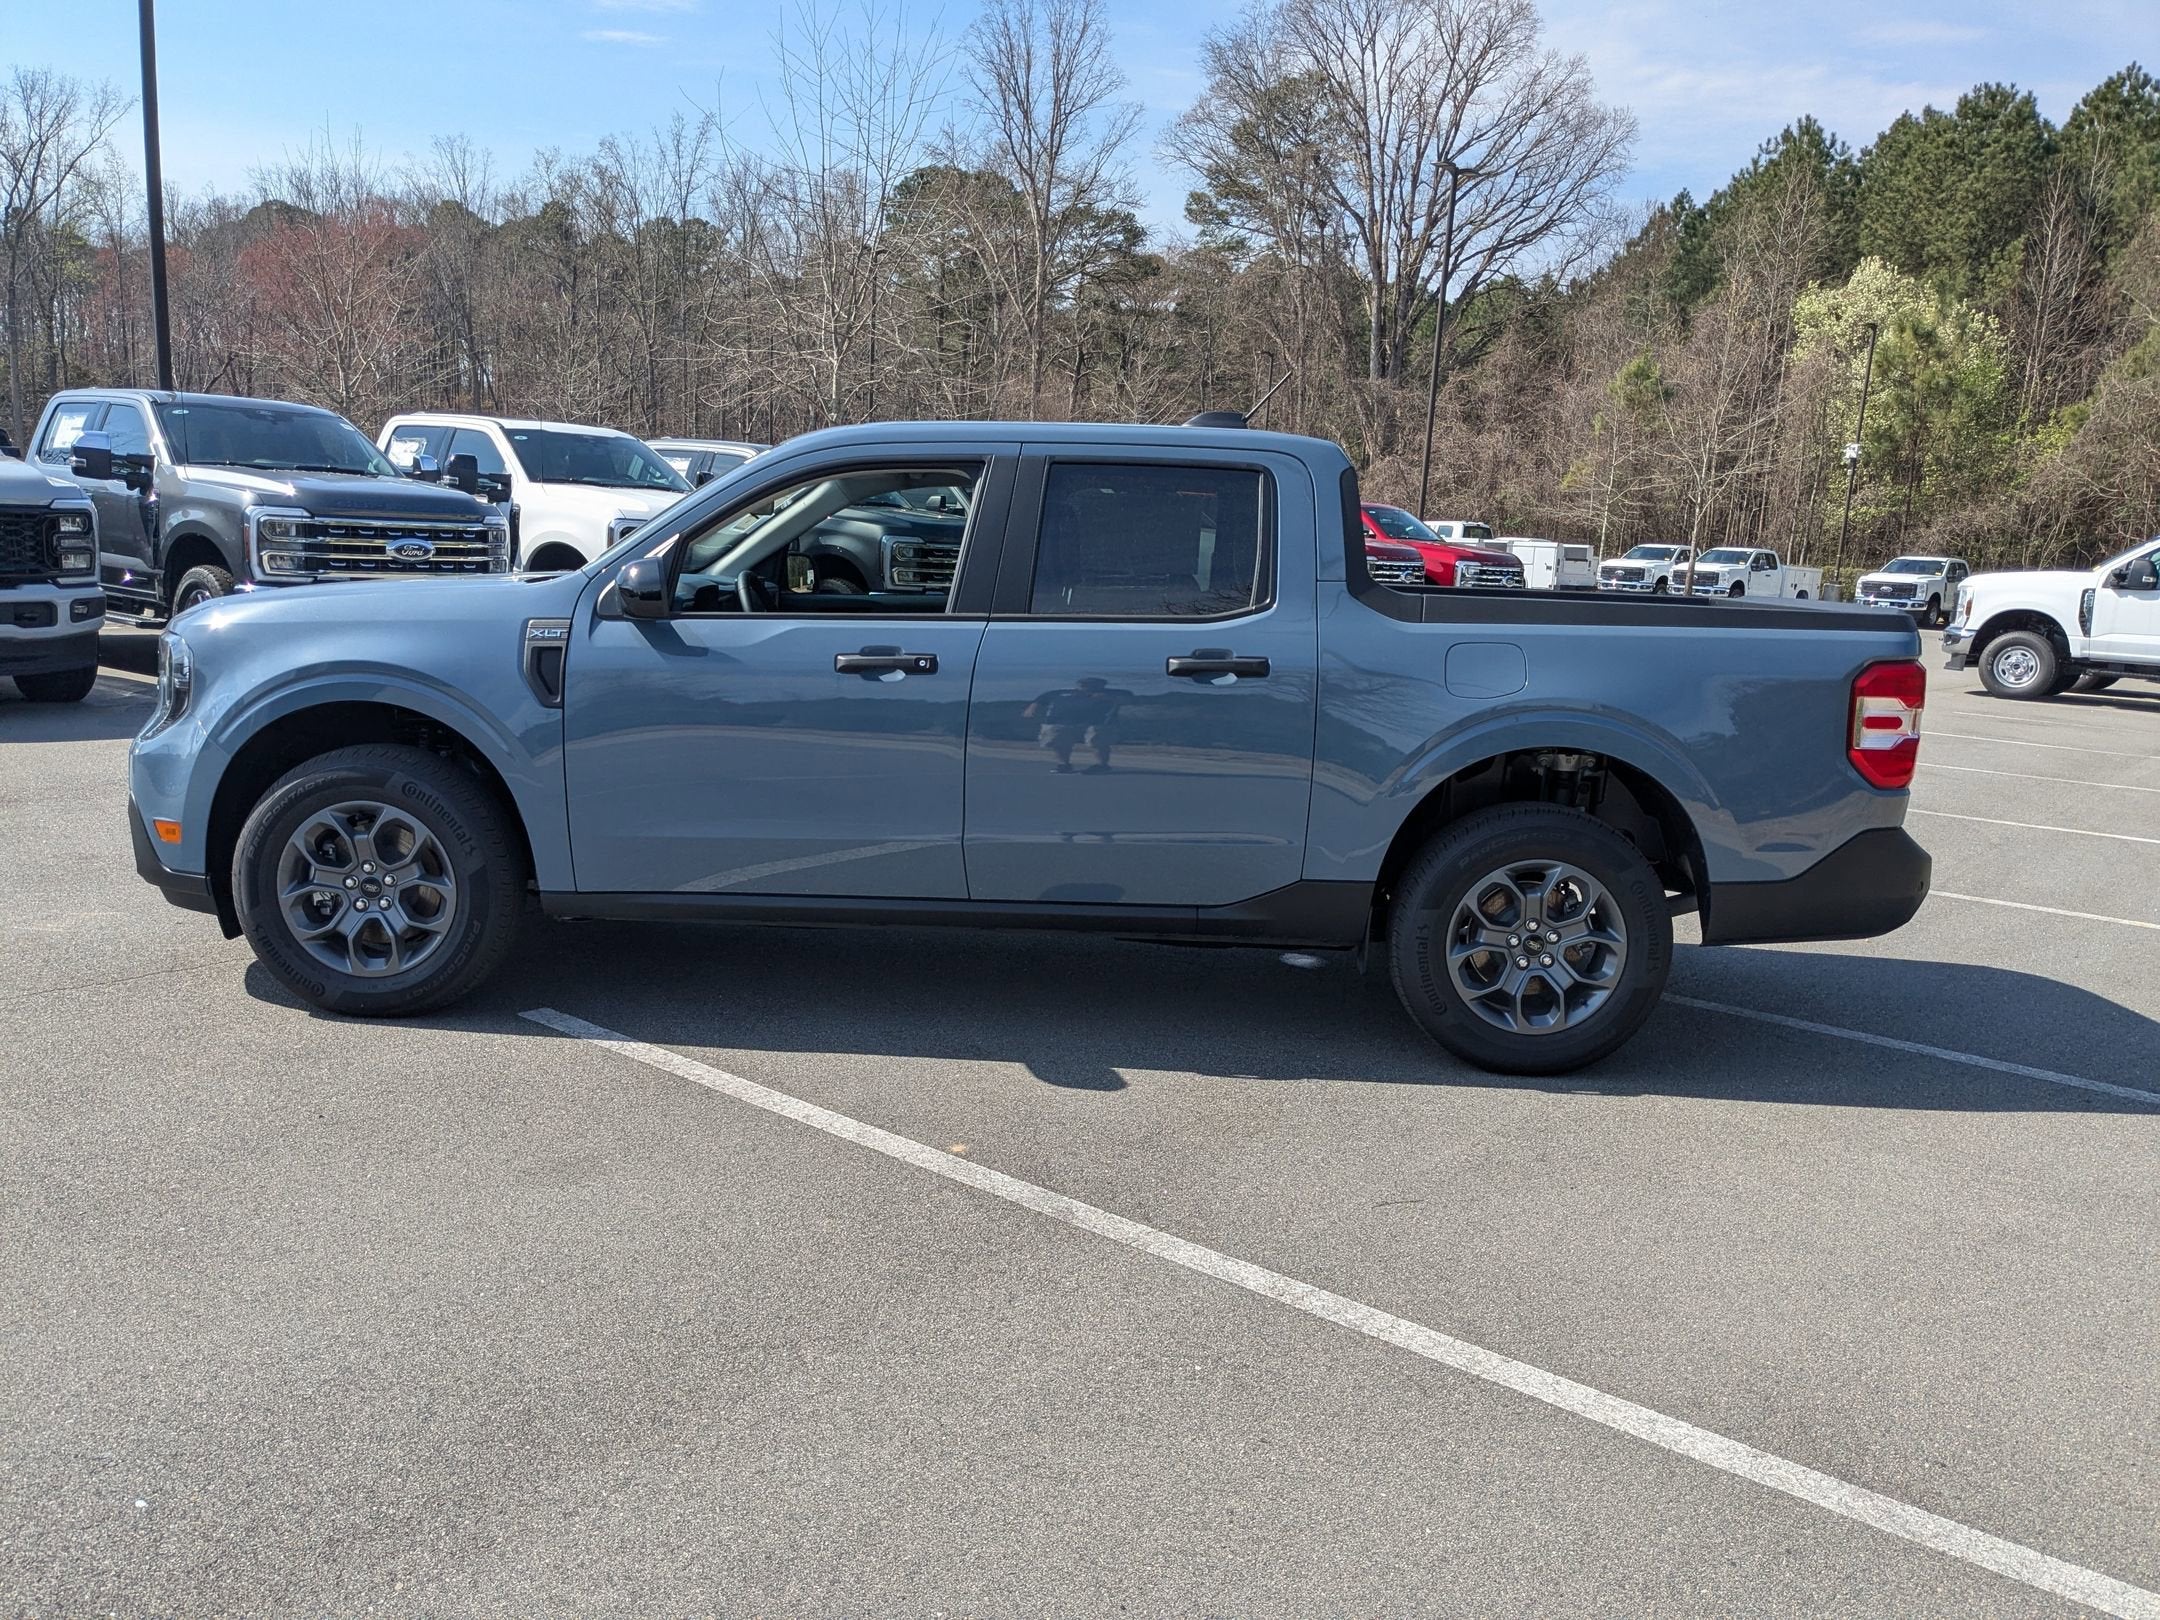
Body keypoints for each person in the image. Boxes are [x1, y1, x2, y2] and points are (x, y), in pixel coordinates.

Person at [1023, 676, 1129, 772]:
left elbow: (1128, 700)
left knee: (1097, 738)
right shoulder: (1060, 692)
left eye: (1091, 684)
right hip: (1062, 721)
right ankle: (1063, 764)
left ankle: (1102, 765)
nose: (1085, 686)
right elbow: (1041, 699)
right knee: (1058, 737)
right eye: (1083, 684)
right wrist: (1032, 708)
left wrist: (1108, 698)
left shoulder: (1114, 693)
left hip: (1097, 722)